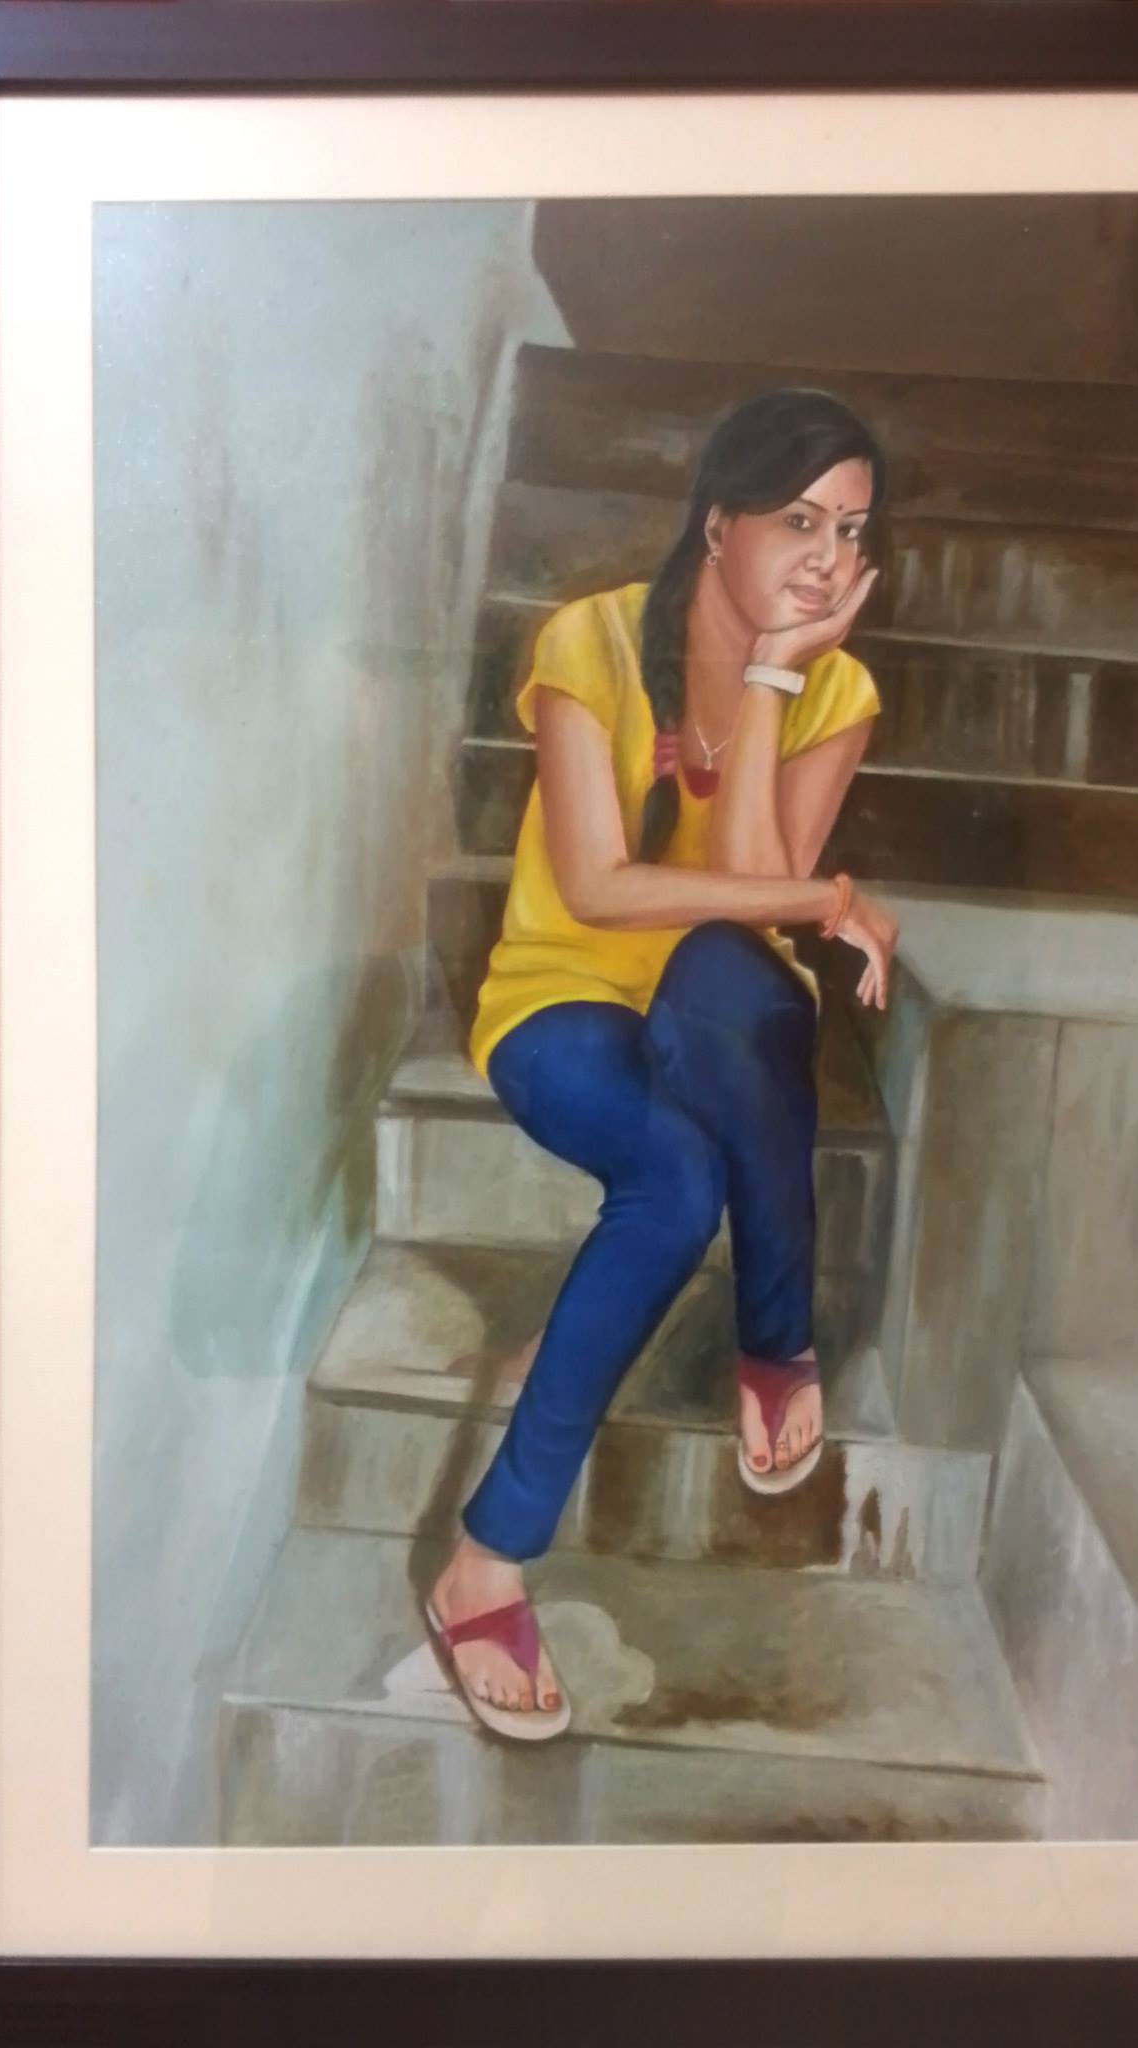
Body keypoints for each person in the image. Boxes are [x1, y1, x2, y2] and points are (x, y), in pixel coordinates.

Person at [422, 387, 901, 1741]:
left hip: (714, 1009)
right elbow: (593, 885)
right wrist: (826, 902)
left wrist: (773, 678)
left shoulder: (839, 688)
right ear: (719, 523)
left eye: (851, 530)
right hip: (562, 997)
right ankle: (484, 1562)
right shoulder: (589, 641)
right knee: (676, 1183)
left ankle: (773, 1338)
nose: (826, 557)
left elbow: (746, 897)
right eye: (798, 520)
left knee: (735, 988)